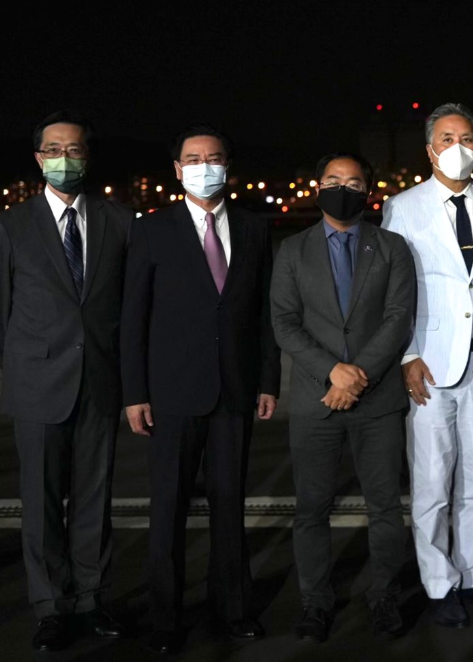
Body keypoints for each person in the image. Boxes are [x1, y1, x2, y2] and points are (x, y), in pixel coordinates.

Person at [120, 123, 281, 654]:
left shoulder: (256, 229)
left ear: (228, 167)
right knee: (167, 509)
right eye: (193, 158)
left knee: (231, 504)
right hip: (170, 393)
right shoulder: (151, 229)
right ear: (177, 168)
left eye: (214, 158)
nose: (204, 166)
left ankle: (231, 609)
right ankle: (165, 618)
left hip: (235, 391)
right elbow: (133, 318)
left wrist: (266, 380)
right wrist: (135, 391)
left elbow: (262, 316)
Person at [0, 111, 132, 651]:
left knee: (94, 499)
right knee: (40, 505)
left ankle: (91, 599)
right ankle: (50, 606)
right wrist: (29, 363)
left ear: (87, 156)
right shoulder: (10, 226)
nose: (65, 158)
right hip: (38, 385)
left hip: (100, 384)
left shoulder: (119, 221)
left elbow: (125, 308)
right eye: (54, 149)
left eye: (75, 149)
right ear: (39, 157)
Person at [381, 103, 473, 628]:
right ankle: (439, 585)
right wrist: (406, 354)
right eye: (446, 138)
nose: (457, 146)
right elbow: (394, 291)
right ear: (429, 149)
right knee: (431, 482)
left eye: (465, 137)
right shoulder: (403, 207)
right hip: (428, 364)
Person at [272, 153, 416, 642]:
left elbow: (399, 317)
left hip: (378, 401)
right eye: (333, 180)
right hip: (316, 399)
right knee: (312, 507)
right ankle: (315, 601)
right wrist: (332, 371)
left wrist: (358, 376)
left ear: (368, 191)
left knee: (384, 506)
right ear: (318, 187)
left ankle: (383, 596)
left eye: (353, 182)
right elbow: (284, 323)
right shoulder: (292, 250)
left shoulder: (392, 247)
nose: (343, 188)